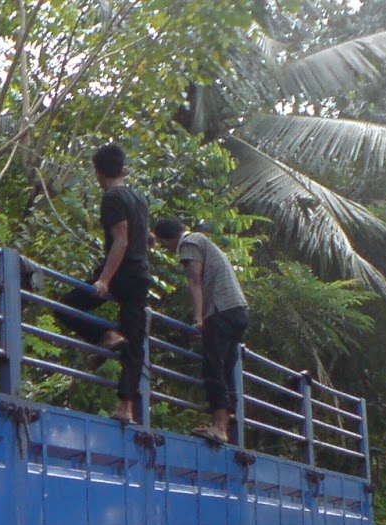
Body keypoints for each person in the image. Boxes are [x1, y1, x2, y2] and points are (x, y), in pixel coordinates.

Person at [56, 144, 152, 425]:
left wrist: (104, 281)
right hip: (140, 276)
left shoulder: (112, 197)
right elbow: (143, 238)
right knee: (135, 343)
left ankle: (106, 337)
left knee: (65, 306)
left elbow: (121, 240)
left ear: (98, 173)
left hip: (121, 274)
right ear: (124, 169)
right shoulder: (138, 199)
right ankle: (126, 408)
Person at [152, 217, 249, 444]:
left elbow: (194, 282)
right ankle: (228, 420)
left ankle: (218, 427)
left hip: (222, 310)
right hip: (238, 310)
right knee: (227, 368)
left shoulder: (190, 242)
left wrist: (198, 319)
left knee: (213, 365)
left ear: (169, 238)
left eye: (164, 244)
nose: (167, 249)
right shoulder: (204, 241)